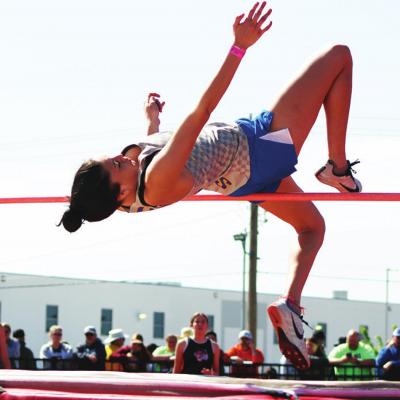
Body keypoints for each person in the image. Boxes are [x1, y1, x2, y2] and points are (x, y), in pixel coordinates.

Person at [59, 2, 362, 369]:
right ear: (119, 192)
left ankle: (291, 306)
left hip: (243, 178)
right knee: (338, 57)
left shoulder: (122, 198)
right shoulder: (157, 179)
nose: (121, 158)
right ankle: (338, 168)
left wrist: (153, 123)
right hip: (259, 148)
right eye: (117, 165)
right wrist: (239, 46)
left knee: (312, 228)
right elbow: (201, 111)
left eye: (115, 157)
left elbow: (157, 156)